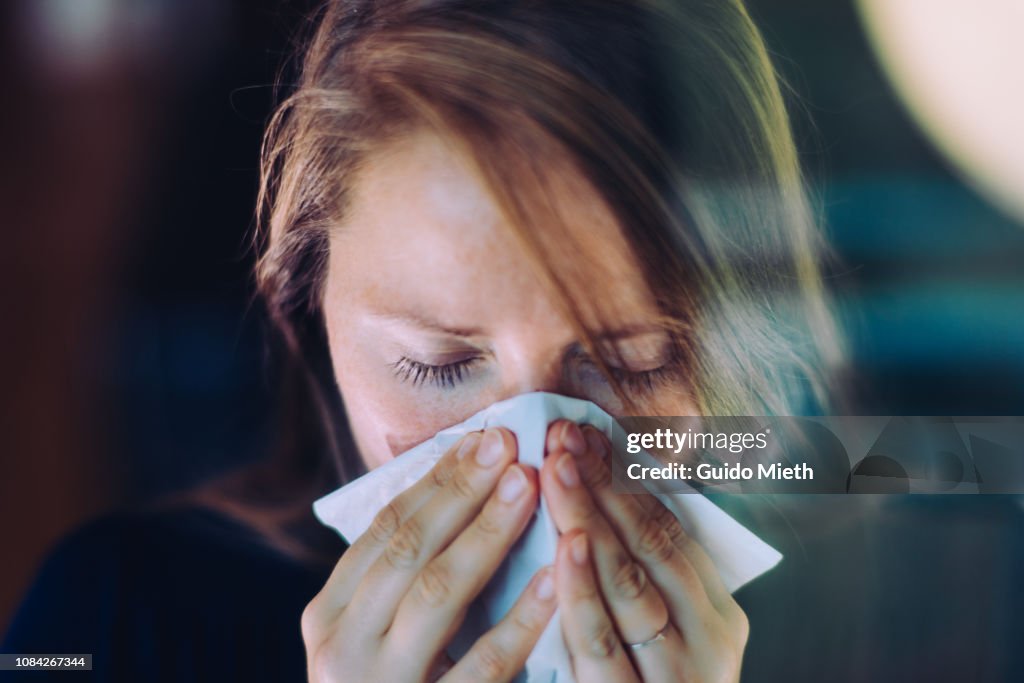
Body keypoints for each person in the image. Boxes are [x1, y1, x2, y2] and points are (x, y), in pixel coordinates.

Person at [4, 1, 842, 681]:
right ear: (305, 319)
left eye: (630, 365)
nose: (538, 462)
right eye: (438, 365)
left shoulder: (865, 636)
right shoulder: (102, 626)